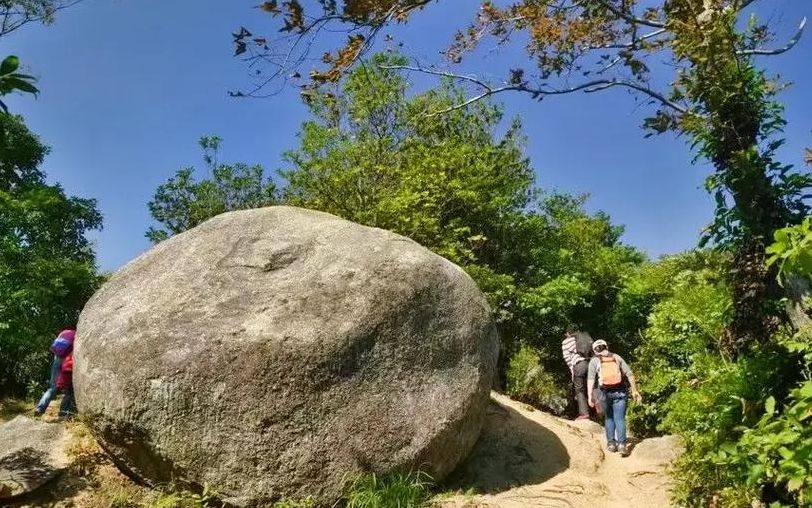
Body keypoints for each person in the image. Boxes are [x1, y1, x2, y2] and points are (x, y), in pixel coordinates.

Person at [587, 339, 642, 456]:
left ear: (594, 350)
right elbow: (629, 374)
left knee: (609, 418)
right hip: (620, 392)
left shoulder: (594, 361)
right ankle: (622, 444)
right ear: (606, 346)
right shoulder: (617, 357)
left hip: (604, 393)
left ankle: (611, 444)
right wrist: (634, 390)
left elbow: (590, 380)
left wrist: (589, 396)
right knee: (620, 419)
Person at [34, 329, 75, 416]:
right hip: (67, 361)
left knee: (52, 388)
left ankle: (40, 408)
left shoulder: (63, 333)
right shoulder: (76, 335)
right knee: (68, 390)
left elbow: (55, 348)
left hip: (57, 359)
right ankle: (63, 412)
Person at [561, 324, 593, 420]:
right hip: (591, 363)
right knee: (594, 386)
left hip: (579, 365)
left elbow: (568, 359)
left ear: (568, 333)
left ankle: (584, 413)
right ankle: (602, 411)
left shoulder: (566, 342)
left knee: (579, 389)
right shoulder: (586, 338)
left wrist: (572, 372)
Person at [55, 352, 76, 418]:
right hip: (67, 380)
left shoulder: (67, 356)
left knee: (68, 396)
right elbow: (69, 367)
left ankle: (64, 412)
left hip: (65, 380)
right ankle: (66, 413)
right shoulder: (71, 357)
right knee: (69, 396)